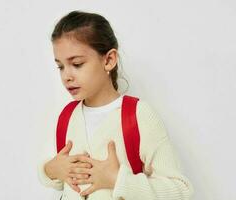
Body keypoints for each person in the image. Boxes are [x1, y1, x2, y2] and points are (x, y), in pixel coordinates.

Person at [37, 10, 194, 200]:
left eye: (77, 64)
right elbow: (62, 177)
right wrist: (50, 170)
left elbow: (181, 191)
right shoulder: (67, 117)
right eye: (60, 66)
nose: (66, 76)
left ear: (109, 60)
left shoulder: (138, 115)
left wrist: (117, 180)